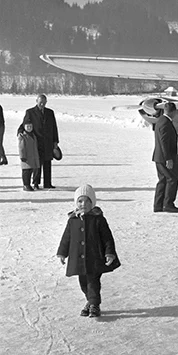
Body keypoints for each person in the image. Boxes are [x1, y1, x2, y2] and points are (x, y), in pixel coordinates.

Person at [56, 184, 121, 318]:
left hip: (94, 257)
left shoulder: (98, 219)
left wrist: (109, 253)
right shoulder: (73, 220)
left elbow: (107, 238)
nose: (83, 204)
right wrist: (62, 253)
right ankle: (90, 301)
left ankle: (94, 304)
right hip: (79, 259)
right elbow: (66, 237)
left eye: (87, 201)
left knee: (93, 282)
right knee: (83, 283)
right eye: (80, 201)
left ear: (92, 203)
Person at [23, 94, 59, 189]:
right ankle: (36, 183)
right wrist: (20, 133)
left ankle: (48, 183)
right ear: (36, 101)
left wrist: (55, 141)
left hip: (48, 142)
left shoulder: (50, 112)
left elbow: (54, 127)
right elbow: (24, 125)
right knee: (37, 164)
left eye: (44, 102)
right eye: (40, 102)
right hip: (36, 142)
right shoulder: (30, 112)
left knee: (47, 163)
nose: (42, 104)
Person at [152, 102, 178, 213]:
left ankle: (158, 205)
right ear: (173, 112)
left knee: (163, 180)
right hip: (164, 157)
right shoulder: (166, 123)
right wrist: (168, 158)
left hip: (159, 157)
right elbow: (164, 142)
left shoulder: (161, 120)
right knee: (172, 179)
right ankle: (168, 204)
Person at [17, 118, 40, 191]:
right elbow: (21, 147)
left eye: (30, 126)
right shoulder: (22, 136)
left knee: (30, 171)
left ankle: (28, 184)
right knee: (26, 172)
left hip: (32, 157)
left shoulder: (33, 135)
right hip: (26, 158)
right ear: (24, 127)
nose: (29, 128)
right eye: (27, 127)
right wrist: (22, 156)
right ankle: (26, 185)